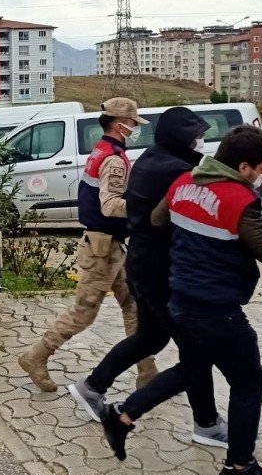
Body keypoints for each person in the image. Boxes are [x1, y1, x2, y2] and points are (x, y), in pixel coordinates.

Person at [101, 125, 262, 475]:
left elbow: (158, 220)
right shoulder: (238, 197)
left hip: (180, 299)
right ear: (243, 166)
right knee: (249, 382)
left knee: (192, 367)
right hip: (217, 307)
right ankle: (240, 467)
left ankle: (122, 417)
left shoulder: (185, 182)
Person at [68, 109, 226, 443]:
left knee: (151, 338)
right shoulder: (176, 169)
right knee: (195, 349)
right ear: (182, 138)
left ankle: (92, 386)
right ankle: (206, 423)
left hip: (142, 264)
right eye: (195, 135)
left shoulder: (150, 159)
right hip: (162, 271)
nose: (200, 141)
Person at [19, 98, 155, 392]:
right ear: (120, 124)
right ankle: (35, 356)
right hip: (102, 248)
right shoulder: (114, 159)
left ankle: (148, 374)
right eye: (133, 123)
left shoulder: (101, 150)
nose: (135, 128)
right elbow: (110, 205)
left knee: (134, 305)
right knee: (85, 311)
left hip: (111, 246)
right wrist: (145, 207)